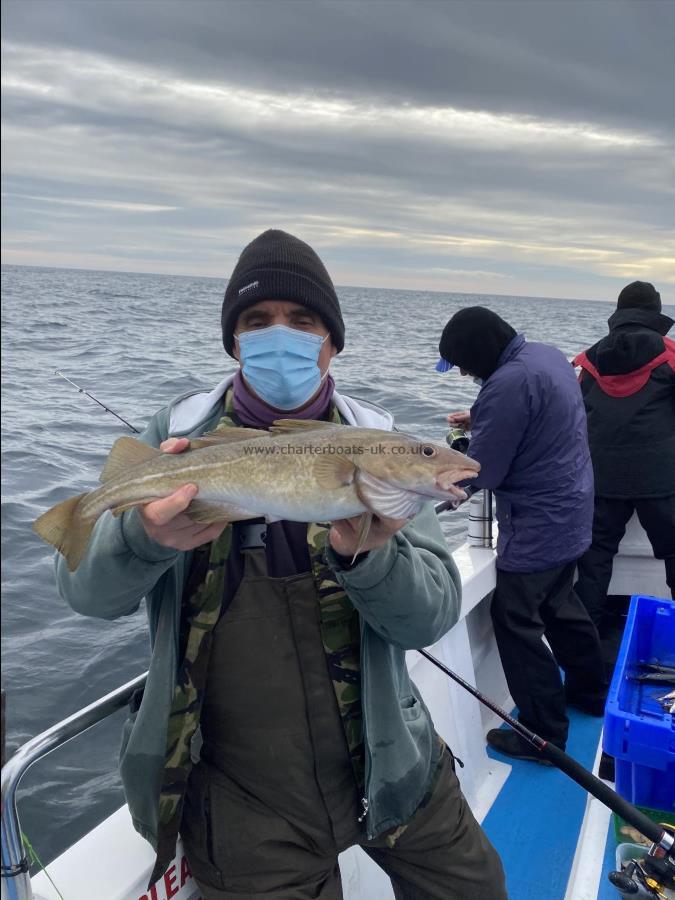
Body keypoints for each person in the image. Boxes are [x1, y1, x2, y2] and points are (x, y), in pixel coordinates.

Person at [56, 231, 506, 900]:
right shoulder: (176, 435)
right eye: (256, 321)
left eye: (302, 320)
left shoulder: (379, 443)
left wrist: (372, 552)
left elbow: (431, 616)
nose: (280, 335)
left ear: (333, 341)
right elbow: (89, 596)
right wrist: (145, 538)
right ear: (234, 342)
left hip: (393, 759)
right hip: (241, 796)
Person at [437, 306, 606, 765]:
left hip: (538, 526)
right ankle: (592, 693)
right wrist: (481, 418)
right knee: (561, 605)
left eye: (466, 364)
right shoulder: (546, 357)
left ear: (478, 352)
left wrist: (440, 480)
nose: (468, 373)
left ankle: (543, 734)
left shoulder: (507, 383)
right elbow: (534, 415)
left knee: (515, 621)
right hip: (573, 512)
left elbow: (483, 470)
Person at [573, 281, 675, 625]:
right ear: (656, 313)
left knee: (596, 558)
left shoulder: (590, 361)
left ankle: (585, 644)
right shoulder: (670, 356)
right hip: (661, 480)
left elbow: (573, 411)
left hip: (602, 477)